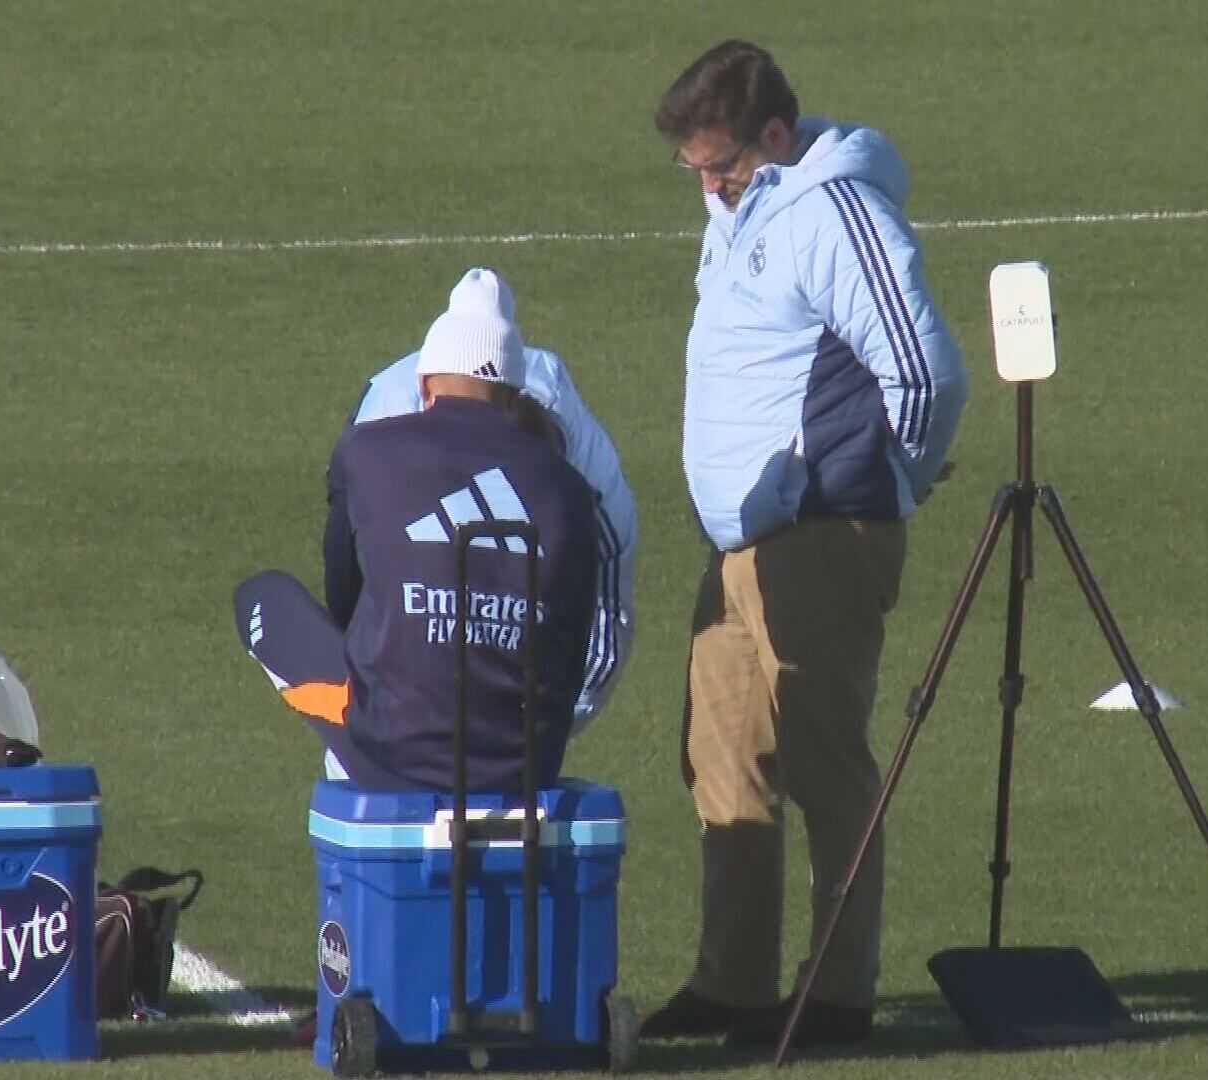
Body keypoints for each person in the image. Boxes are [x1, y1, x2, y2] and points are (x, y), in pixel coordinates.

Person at [637, 40, 969, 1048]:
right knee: (722, 761)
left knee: (825, 765)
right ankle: (733, 983)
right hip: (744, 545)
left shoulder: (834, 211)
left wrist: (887, 481)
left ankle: (834, 994)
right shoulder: (741, 210)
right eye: (695, 168)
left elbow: (925, 373)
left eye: (721, 165)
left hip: (820, 535)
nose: (708, 186)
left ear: (775, 139)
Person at [232, 269, 605, 794]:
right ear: (512, 396)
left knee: (261, 595)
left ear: (425, 383)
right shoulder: (570, 489)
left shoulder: (366, 452)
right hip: (525, 768)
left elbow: (343, 595)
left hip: (389, 758)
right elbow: (571, 652)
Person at [351, 269, 637, 741]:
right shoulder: (385, 417)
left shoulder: (585, 470)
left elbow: (607, 620)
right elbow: (353, 583)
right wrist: (379, 715)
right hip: (394, 719)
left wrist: (538, 729)